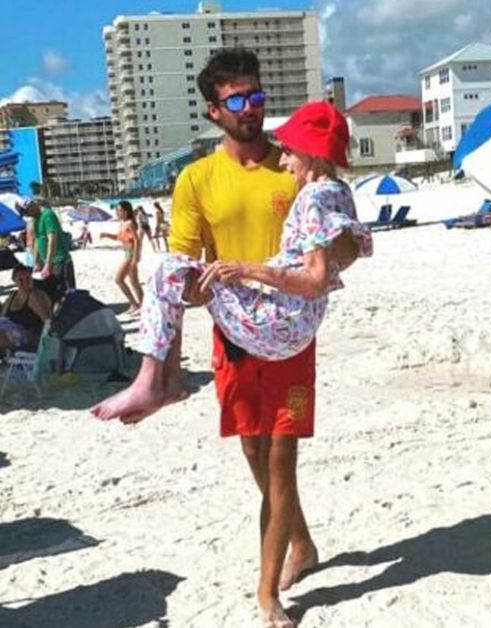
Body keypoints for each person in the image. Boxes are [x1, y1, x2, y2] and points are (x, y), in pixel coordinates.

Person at [127, 47, 319, 628]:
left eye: (257, 96)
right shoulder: (196, 179)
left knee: (282, 455)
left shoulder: (293, 167)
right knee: (255, 450)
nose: (252, 108)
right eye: (239, 99)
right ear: (214, 111)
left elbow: (330, 240)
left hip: (290, 338)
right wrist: (195, 289)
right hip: (233, 335)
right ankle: (302, 542)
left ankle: (269, 593)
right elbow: (184, 270)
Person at [91, 101, 370, 424]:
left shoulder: (312, 197)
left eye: (289, 152)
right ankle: (167, 380)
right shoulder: (340, 192)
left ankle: (153, 382)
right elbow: (346, 257)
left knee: (167, 272)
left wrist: (247, 269)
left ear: (313, 153)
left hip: (277, 323)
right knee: (183, 278)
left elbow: (317, 280)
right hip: (297, 324)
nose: (283, 161)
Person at [23, 201, 75, 303]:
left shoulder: (47, 215)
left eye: (26, 212)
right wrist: (37, 262)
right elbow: (38, 240)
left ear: (31, 206)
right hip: (48, 260)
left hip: (59, 259)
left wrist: (48, 263)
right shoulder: (35, 220)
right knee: (53, 292)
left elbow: (52, 239)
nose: (27, 215)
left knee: (66, 292)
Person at [99, 201, 145, 317]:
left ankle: (135, 304)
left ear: (126, 211)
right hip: (126, 253)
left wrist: (135, 257)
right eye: (117, 210)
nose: (117, 212)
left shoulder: (129, 223)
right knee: (134, 282)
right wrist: (106, 235)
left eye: (119, 210)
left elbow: (136, 240)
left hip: (130, 255)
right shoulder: (123, 223)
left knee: (119, 279)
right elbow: (119, 237)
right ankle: (142, 305)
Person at [0, 265, 53, 351]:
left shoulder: (35, 297)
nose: (25, 282)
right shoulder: (12, 296)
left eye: (28, 278)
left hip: (26, 335)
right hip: (8, 330)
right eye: (20, 280)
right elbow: (3, 316)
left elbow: (48, 322)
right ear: (14, 281)